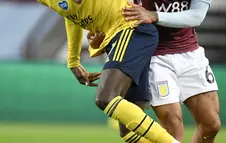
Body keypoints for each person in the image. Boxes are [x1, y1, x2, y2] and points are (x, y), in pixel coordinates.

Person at [37, 0, 179, 143]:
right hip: (119, 40)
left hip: (132, 31)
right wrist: (73, 61)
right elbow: (69, 14)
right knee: (128, 133)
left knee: (105, 98)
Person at [120, 0, 221, 143]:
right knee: (171, 128)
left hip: (190, 54)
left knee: (211, 125)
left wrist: (154, 15)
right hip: (154, 56)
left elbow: (197, 16)